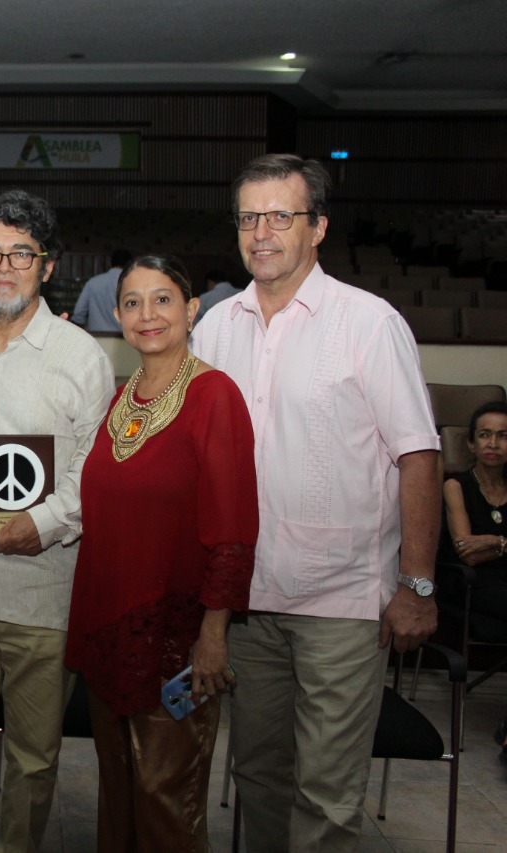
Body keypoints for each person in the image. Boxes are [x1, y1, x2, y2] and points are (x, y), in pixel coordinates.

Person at [191, 153, 441, 852]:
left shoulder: (369, 323)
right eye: (249, 216)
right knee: (258, 775)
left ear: (319, 226)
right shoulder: (214, 330)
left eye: (281, 215)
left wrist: (417, 584)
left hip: (340, 605)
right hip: (248, 603)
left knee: (327, 793)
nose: (262, 231)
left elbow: (418, 454)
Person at [0, 189, 115, 853]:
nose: (4, 265)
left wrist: (49, 520)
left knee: (33, 759)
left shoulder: (82, 355)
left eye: (21, 253)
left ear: (47, 265)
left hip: (42, 590)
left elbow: (96, 473)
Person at [65, 254, 258, 852]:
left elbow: (233, 529)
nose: (147, 314)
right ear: (116, 314)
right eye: (132, 302)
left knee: (165, 800)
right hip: (108, 633)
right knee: (118, 792)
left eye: (163, 299)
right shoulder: (121, 399)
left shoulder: (214, 395)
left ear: (192, 307)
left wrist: (213, 633)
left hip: (175, 639)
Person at [444, 401, 507, 634]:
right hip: (472, 583)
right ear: (471, 443)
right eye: (484, 435)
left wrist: (493, 541)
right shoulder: (455, 486)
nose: (493, 444)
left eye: (503, 436)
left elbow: (480, 547)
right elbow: (468, 554)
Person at [70, 248, 131, 333]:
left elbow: (78, 313)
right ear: (129, 265)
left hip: (97, 339)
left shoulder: (92, 283)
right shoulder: (132, 284)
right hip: (125, 341)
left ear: (110, 263)